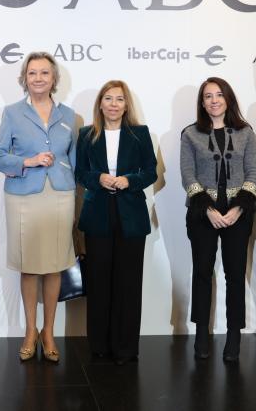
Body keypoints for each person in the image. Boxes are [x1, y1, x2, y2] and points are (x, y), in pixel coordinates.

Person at [0, 52, 77, 364]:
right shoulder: (12, 113)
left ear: (54, 79)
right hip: (23, 196)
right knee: (29, 265)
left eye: (44, 73)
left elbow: (75, 160)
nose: (38, 78)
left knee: (54, 265)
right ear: (24, 79)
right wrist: (27, 161)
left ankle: (49, 332)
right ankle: (30, 331)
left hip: (60, 196)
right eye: (32, 73)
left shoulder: (69, 115)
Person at [75, 80, 157, 365]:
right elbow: (80, 173)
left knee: (128, 284)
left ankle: (125, 348)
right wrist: (97, 179)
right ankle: (99, 345)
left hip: (131, 216)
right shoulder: (86, 135)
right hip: (97, 214)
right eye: (108, 99)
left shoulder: (140, 134)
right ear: (100, 103)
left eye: (119, 99)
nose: (113, 104)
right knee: (98, 283)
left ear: (126, 104)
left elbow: (150, 172)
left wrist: (129, 180)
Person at [180, 77, 256, 362]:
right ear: (202, 103)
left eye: (218, 95)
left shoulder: (246, 132)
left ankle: (234, 337)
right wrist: (207, 209)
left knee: (235, 275)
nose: (214, 100)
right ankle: (202, 334)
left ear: (228, 99)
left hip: (239, 214)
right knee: (202, 272)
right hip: (203, 215)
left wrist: (239, 208)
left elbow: (253, 172)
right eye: (207, 96)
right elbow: (187, 175)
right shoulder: (190, 134)